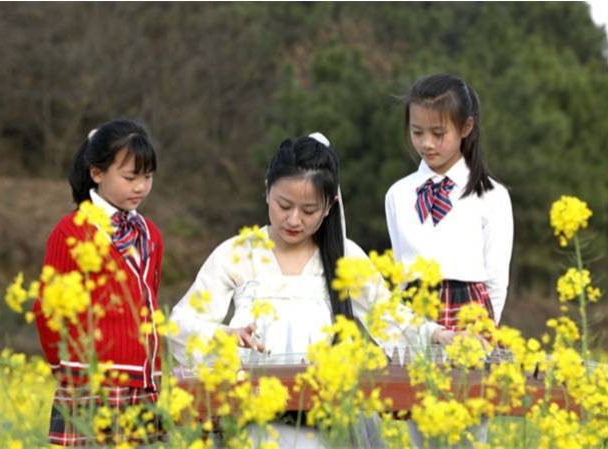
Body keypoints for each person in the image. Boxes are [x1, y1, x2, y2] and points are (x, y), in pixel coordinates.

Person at [169, 133, 450, 448]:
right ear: (266, 191)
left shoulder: (344, 256)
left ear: (329, 207)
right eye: (284, 205)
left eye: (309, 210)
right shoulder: (237, 253)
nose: (293, 220)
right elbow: (180, 324)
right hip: (254, 421)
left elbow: (390, 318)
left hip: (327, 423)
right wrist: (224, 335)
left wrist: (438, 336)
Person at [385, 74, 514, 447]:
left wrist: (483, 336)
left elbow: (496, 281)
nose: (426, 143)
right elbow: (401, 274)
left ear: (466, 128)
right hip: (417, 321)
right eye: (417, 132)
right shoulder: (398, 195)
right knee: (420, 432)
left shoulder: (492, 196)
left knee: (469, 434)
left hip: (470, 318)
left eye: (438, 133)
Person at [32, 118, 164, 446]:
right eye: (130, 177)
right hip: (89, 384)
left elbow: (147, 306)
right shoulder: (72, 231)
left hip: (144, 384)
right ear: (97, 173)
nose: (140, 187)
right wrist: (65, 370)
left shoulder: (151, 235)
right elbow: (48, 310)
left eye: (147, 177)